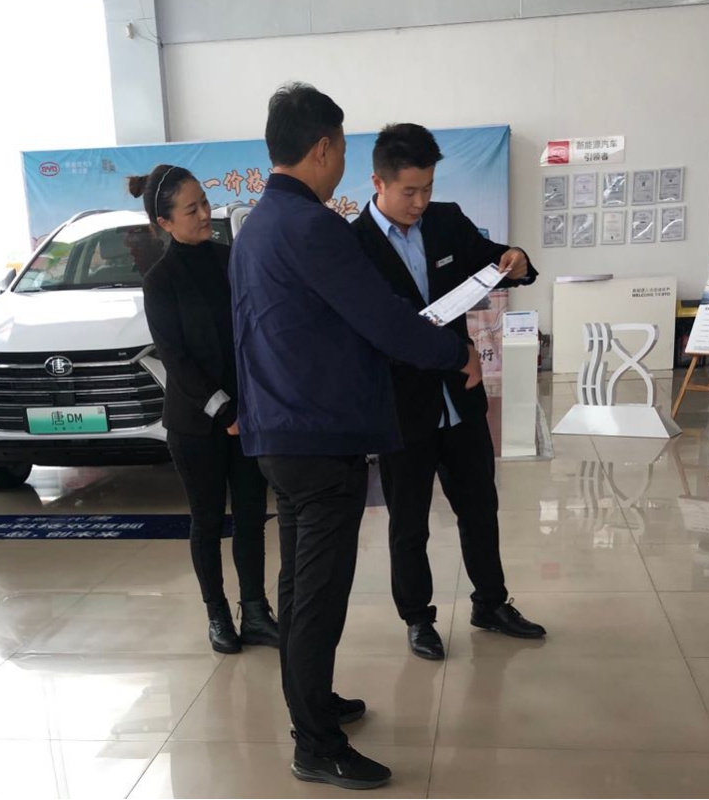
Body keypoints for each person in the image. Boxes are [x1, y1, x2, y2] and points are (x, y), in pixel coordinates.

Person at [230, 84, 483, 791]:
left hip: (280, 432)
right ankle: (315, 744)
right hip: (317, 436)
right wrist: (454, 354)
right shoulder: (313, 228)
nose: (342, 159)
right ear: (322, 149)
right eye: (341, 147)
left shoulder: (257, 226)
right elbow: (386, 320)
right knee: (318, 595)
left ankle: (312, 703)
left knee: (297, 585)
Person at [350, 123, 547, 661]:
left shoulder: (446, 221)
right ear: (378, 182)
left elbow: (492, 259)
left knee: (480, 506)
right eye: (409, 191)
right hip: (400, 409)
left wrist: (516, 260)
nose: (420, 202)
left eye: (428, 188)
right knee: (409, 522)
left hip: (460, 394)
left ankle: (491, 603)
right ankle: (418, 618)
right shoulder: (354, 245)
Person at [134, 165, 278, 655]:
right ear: (165, 222)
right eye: (191, 209)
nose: (203, 214)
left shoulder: (229, 258)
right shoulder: (160, 280)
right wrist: (224, 411)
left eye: (204, 203)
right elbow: (175, 358)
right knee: (208, 520)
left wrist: (252, 403)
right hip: (197, 423)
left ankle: (255, 612)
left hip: (248, 415)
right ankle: (217, 614)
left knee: (252, 516)